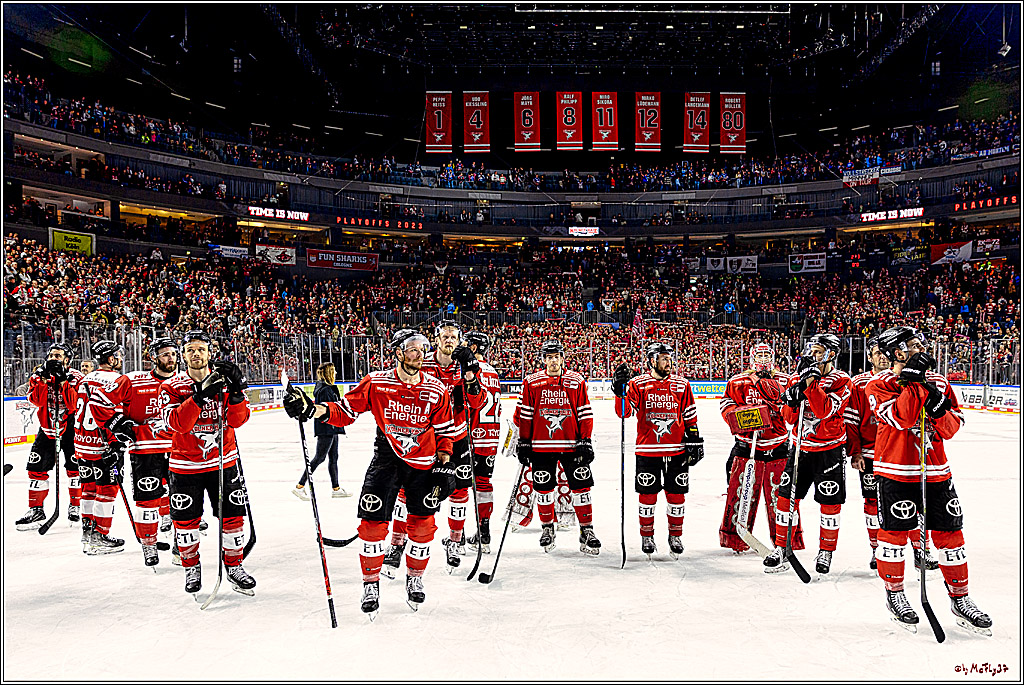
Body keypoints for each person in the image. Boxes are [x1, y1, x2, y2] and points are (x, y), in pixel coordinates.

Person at [283, 328, 457, 617]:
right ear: (398, 352)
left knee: (423, 527)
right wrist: (313, 410)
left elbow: (444, 431)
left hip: (423, 465)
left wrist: (445, 463)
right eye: (413, 348)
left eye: (422, 348)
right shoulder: (376, 383)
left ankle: (414, 578)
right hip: (386, 460)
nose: (420, 353)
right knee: (372, 525)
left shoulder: (436, 389)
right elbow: (345, 411)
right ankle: (370, 583)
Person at [866, 326, 992, 635]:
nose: (920, 346)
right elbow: (902, 418)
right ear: (896, 351)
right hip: (895, 472)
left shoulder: (939, 383)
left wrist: (936, 404)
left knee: (951, 536)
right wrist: (914, 384)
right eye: (911, 344)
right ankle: (895, 594)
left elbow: (951, 428)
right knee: (893, 537)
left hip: (936, 471)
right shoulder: (878, 385)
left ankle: (960, 599)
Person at [158, 330, 255, 595]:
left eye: (201, 349)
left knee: (233, 518)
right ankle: (191, 567)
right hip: (185, 466)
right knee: (186, 521)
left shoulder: (223, 381)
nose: (196, 354)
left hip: (224, 462)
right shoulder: (172, 386)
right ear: (184, 354)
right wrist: (199, 397)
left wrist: (235, 391)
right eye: (191, 350)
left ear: (209, 353)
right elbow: (178, 423)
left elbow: (238, 421)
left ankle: (234, 566)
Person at [384, 320, 480, 574]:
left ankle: (455, 541)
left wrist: (470, 375)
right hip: (423, 440)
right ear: (435, 339)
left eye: (454, 337)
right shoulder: (421, 363)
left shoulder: (465, 365)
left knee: (459, 491)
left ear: (460, 340)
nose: (449, 340)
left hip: (457, 438)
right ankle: (397, 543)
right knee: (407, 493)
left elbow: (478, 403)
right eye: (444, 336)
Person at [846, 337, 938, 572]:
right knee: (873, 504)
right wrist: (855, 451)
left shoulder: (906, 379)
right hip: (871, 453)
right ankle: (878, 549)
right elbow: (853, 420)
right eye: (876, 353)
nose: (882, 356)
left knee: (918, 503)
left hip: (904, 453)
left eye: (883, 352)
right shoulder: (859, 383)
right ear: (869, 357)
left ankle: (921, 550)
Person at [764, 333, 851, 575]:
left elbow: (824, 410)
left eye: (819, 351)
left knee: (830, 503)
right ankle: (782, 547)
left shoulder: (842, 381)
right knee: (785, 500)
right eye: (811, 350)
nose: (813, 355)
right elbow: (790, 418)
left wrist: (810, 383)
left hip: (829, 451)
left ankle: (826, 550)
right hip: (800, 450)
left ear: (831, 354)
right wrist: (791, 400)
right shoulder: (796, 377)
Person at [612, 342, 702, 558]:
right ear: (652, 360)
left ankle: (675, 535)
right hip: (647, 450)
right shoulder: (638, 384)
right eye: (663, 358)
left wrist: (695, 439)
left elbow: (690, 416)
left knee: (677, 495)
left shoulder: (682, 385)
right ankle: (647, 535)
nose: (668, 362)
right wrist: (619, 392)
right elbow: (624, 413)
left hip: (677, 451)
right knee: (647, 495)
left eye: (670, 358)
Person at [515, 339, 601, 555]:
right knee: (543, 489)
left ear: (563, 358)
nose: (553, 361)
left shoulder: (576, 381)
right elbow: (525, 415)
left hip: (572, 445)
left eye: (557, 357)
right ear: (544, 359)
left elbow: (584, 412)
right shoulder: (532, 382)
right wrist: (524, 441)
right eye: (549, 357)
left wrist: (586, 440)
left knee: (582, 488)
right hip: (541, 446)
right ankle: (547, 529)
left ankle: (586, 530)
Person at [718, 343, 803, 555]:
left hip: (779, 445)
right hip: (747, 446)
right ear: (752, 358)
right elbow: (725, 405)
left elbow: (796, 408)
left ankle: (788, 537)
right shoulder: (738, 381)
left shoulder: (785, 380)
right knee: (739, 493)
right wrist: (744, 416)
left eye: (767, 355)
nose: (764, 359)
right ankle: (734, 538)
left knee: (781, 495)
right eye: (760, 355)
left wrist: (780, 407)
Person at [120, 337, 178, 567]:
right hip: (145, 450)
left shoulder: (185, 382)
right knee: (147, 501)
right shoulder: (133, 380)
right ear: (153, 358)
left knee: (181, 499)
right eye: (165, 354)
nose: (170, 358)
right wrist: (118, 424)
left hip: (180, 450)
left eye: (173, 353)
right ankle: (149, 544)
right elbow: (107, 403)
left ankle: (179, 544)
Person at [15, 343, 83, 530]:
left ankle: (76, 506)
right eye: (52, 355)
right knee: (36, 469)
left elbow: (74, 405)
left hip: (71, 429)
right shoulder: (38, 375)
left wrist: (63, 382)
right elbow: (36, 400)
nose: (54, 358)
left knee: (75, 470)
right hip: (47, 428)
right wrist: (43, 381)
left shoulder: (76, 377)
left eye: (58, 356)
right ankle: (36, 509)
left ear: (67, 359)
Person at [74, 341, 133, 555]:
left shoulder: (85, 379)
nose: (119, 358)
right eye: (116, 355)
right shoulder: (120, 380)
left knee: (88, 488)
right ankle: (100, 535)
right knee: (107, 490)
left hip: (81, 443)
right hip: (104, 445)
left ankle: (87, 533)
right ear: (109, 358)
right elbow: (119, 413)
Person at [462, 331, 502, 553]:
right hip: (490, 437)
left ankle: (456, 534)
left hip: (469, 435)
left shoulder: (469, 371)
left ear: (474, 348)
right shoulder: (493, 372)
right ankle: (483, 531)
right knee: (483, 484)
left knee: (459, 486)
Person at [292, 362, 349, 500]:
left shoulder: (327, 388)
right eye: (333, 371)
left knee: (334, 457)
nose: (335, 373)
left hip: (333, 427)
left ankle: (336, 488)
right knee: (319, 457)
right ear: (329, 373)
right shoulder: (325, 390)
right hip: (327, 428)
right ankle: (300, 486)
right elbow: (325, 411)